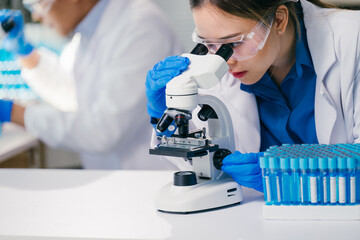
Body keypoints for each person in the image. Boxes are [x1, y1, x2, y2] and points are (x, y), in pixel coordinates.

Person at [145, 0, 360, 191]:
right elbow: (201, 164)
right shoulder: (216, 70)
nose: (225, 61)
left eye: (234, 43)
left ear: (278, 20)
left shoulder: (353, 40)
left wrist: (286, 170)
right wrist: (163, 114)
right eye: (209, 44)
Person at [0, 0, 183, 169]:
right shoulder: (88, 33)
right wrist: (26, 54)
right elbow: (71, 94)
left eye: (38, 4)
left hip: (148, 177)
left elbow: (103, 130)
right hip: (116, 179)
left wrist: (13, 113)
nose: (36, 16)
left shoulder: (142, 27)